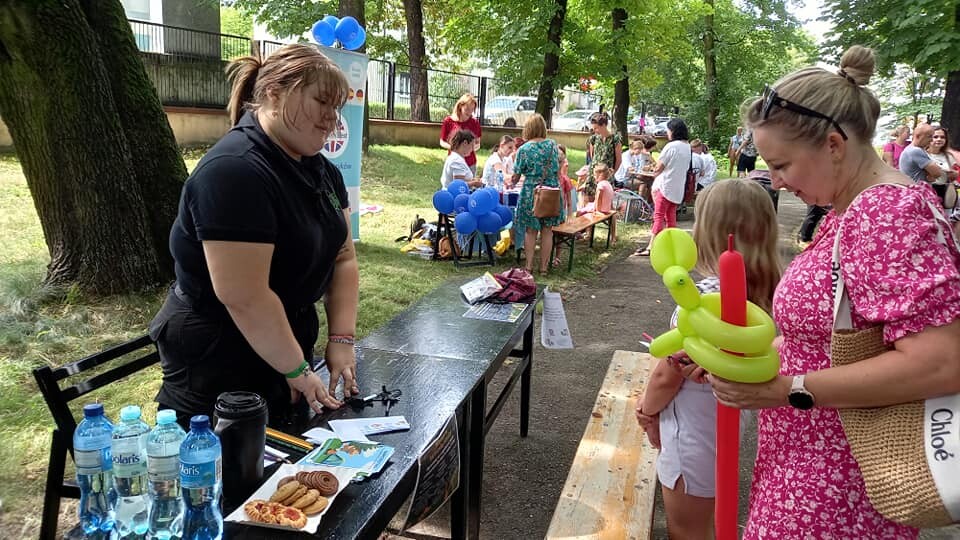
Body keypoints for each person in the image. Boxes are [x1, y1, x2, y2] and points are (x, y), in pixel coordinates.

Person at [708, 45, 960, 539]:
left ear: (834, 145)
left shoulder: (886, 213)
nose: (775, 182)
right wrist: (746, 359)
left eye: (781, 165)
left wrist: (788, 390)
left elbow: (940, 361)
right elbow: (828, 340)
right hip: (811, 465)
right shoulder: (853, 210)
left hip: (838, 483)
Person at [149, 44, 361, 428]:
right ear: (274, 94)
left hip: (282, 343)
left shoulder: (321, 171)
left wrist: (341, 340)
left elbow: (343, 256)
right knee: (233, 475)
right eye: (322, 103)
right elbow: (244, 295)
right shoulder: (235, 171)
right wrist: (295, 367)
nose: (332, 119)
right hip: (219, 357)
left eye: (337, 108)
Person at [636, 179, 781, 540]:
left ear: (708, 230)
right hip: (725, 433)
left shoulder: (700, 303)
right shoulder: (770, 293)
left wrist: (646, 410)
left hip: (690, 437)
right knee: (713, 518)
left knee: (687, 529)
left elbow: (667, 375)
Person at [512, 114, 565, 275]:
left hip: (531, 192)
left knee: (531, 230)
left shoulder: (524, 149)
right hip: (551, 192)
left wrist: (511, 179)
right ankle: (543, 267)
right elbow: (557, 168)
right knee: (547, 230)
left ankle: (529, 266)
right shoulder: (552, 146)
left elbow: (516, 177)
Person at [634, 118, 691, 257]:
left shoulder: (671, 146)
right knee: (671, 218)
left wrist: (654, 170)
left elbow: (659, 167)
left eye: (668, 129)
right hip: (677, 188)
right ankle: (671, 245)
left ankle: (651, 246)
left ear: (673, 131)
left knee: (658, 216)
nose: (667, 132)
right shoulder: (687, 146)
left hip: (664, 186)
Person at [899, 123, 958, 188]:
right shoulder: (915, 151)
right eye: (929, 136)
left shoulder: (913, 149)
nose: (931, 140)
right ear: (918, 136)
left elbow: (933, 175)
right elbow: (937, 173)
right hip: (918, 192)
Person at [440, 93, 482, 175]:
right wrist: (455, 148)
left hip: (470, 162)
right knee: (453, 185)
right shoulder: (448, 121)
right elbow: (442, 142)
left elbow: (478, 143)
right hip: (454, 161)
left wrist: (469, 149)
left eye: (472, 109)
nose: (469, 112)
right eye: (467, 109)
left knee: (469, 186)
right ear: (460, 106)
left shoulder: (475, 123)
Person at [585, 112, 623, 198]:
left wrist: (612, 172)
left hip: (606, 174)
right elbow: (592, 156)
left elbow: (619, 159)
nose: (594, 130)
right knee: (590, 196)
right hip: (594, 173)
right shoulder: (594, 138)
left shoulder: (615, 139)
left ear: (604, 125)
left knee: (604, 198)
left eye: (596, 128)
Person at [925, 126, 959, 207]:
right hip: (928, 191)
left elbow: (954, 174)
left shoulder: (948, 156)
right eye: (935, 137)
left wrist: (954, 174)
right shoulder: (923, 155)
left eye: (942, 137)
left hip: (945, 191)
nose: (939, 139)